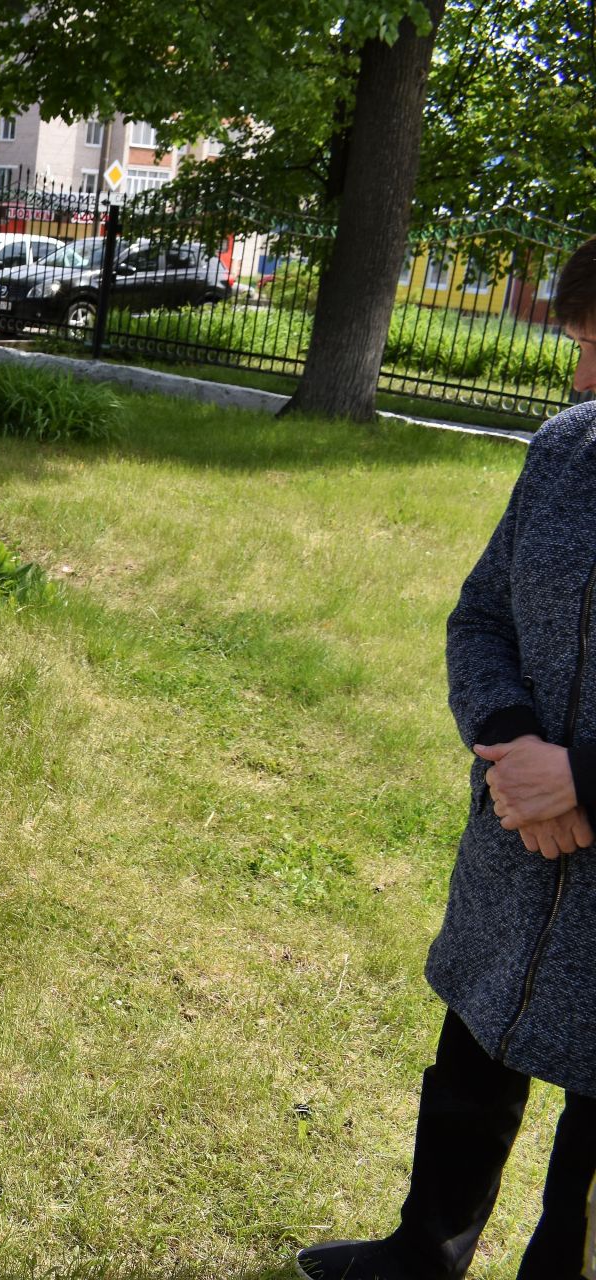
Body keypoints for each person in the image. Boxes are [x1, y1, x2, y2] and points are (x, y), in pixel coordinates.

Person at [298, 237, 596, 1280]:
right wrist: (514, 741)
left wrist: (588, 782)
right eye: (579, 342)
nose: (580, 375)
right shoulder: (566, 452)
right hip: (517, 846)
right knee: (478, 1042)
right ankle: (421, 1253)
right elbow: (481, 617)